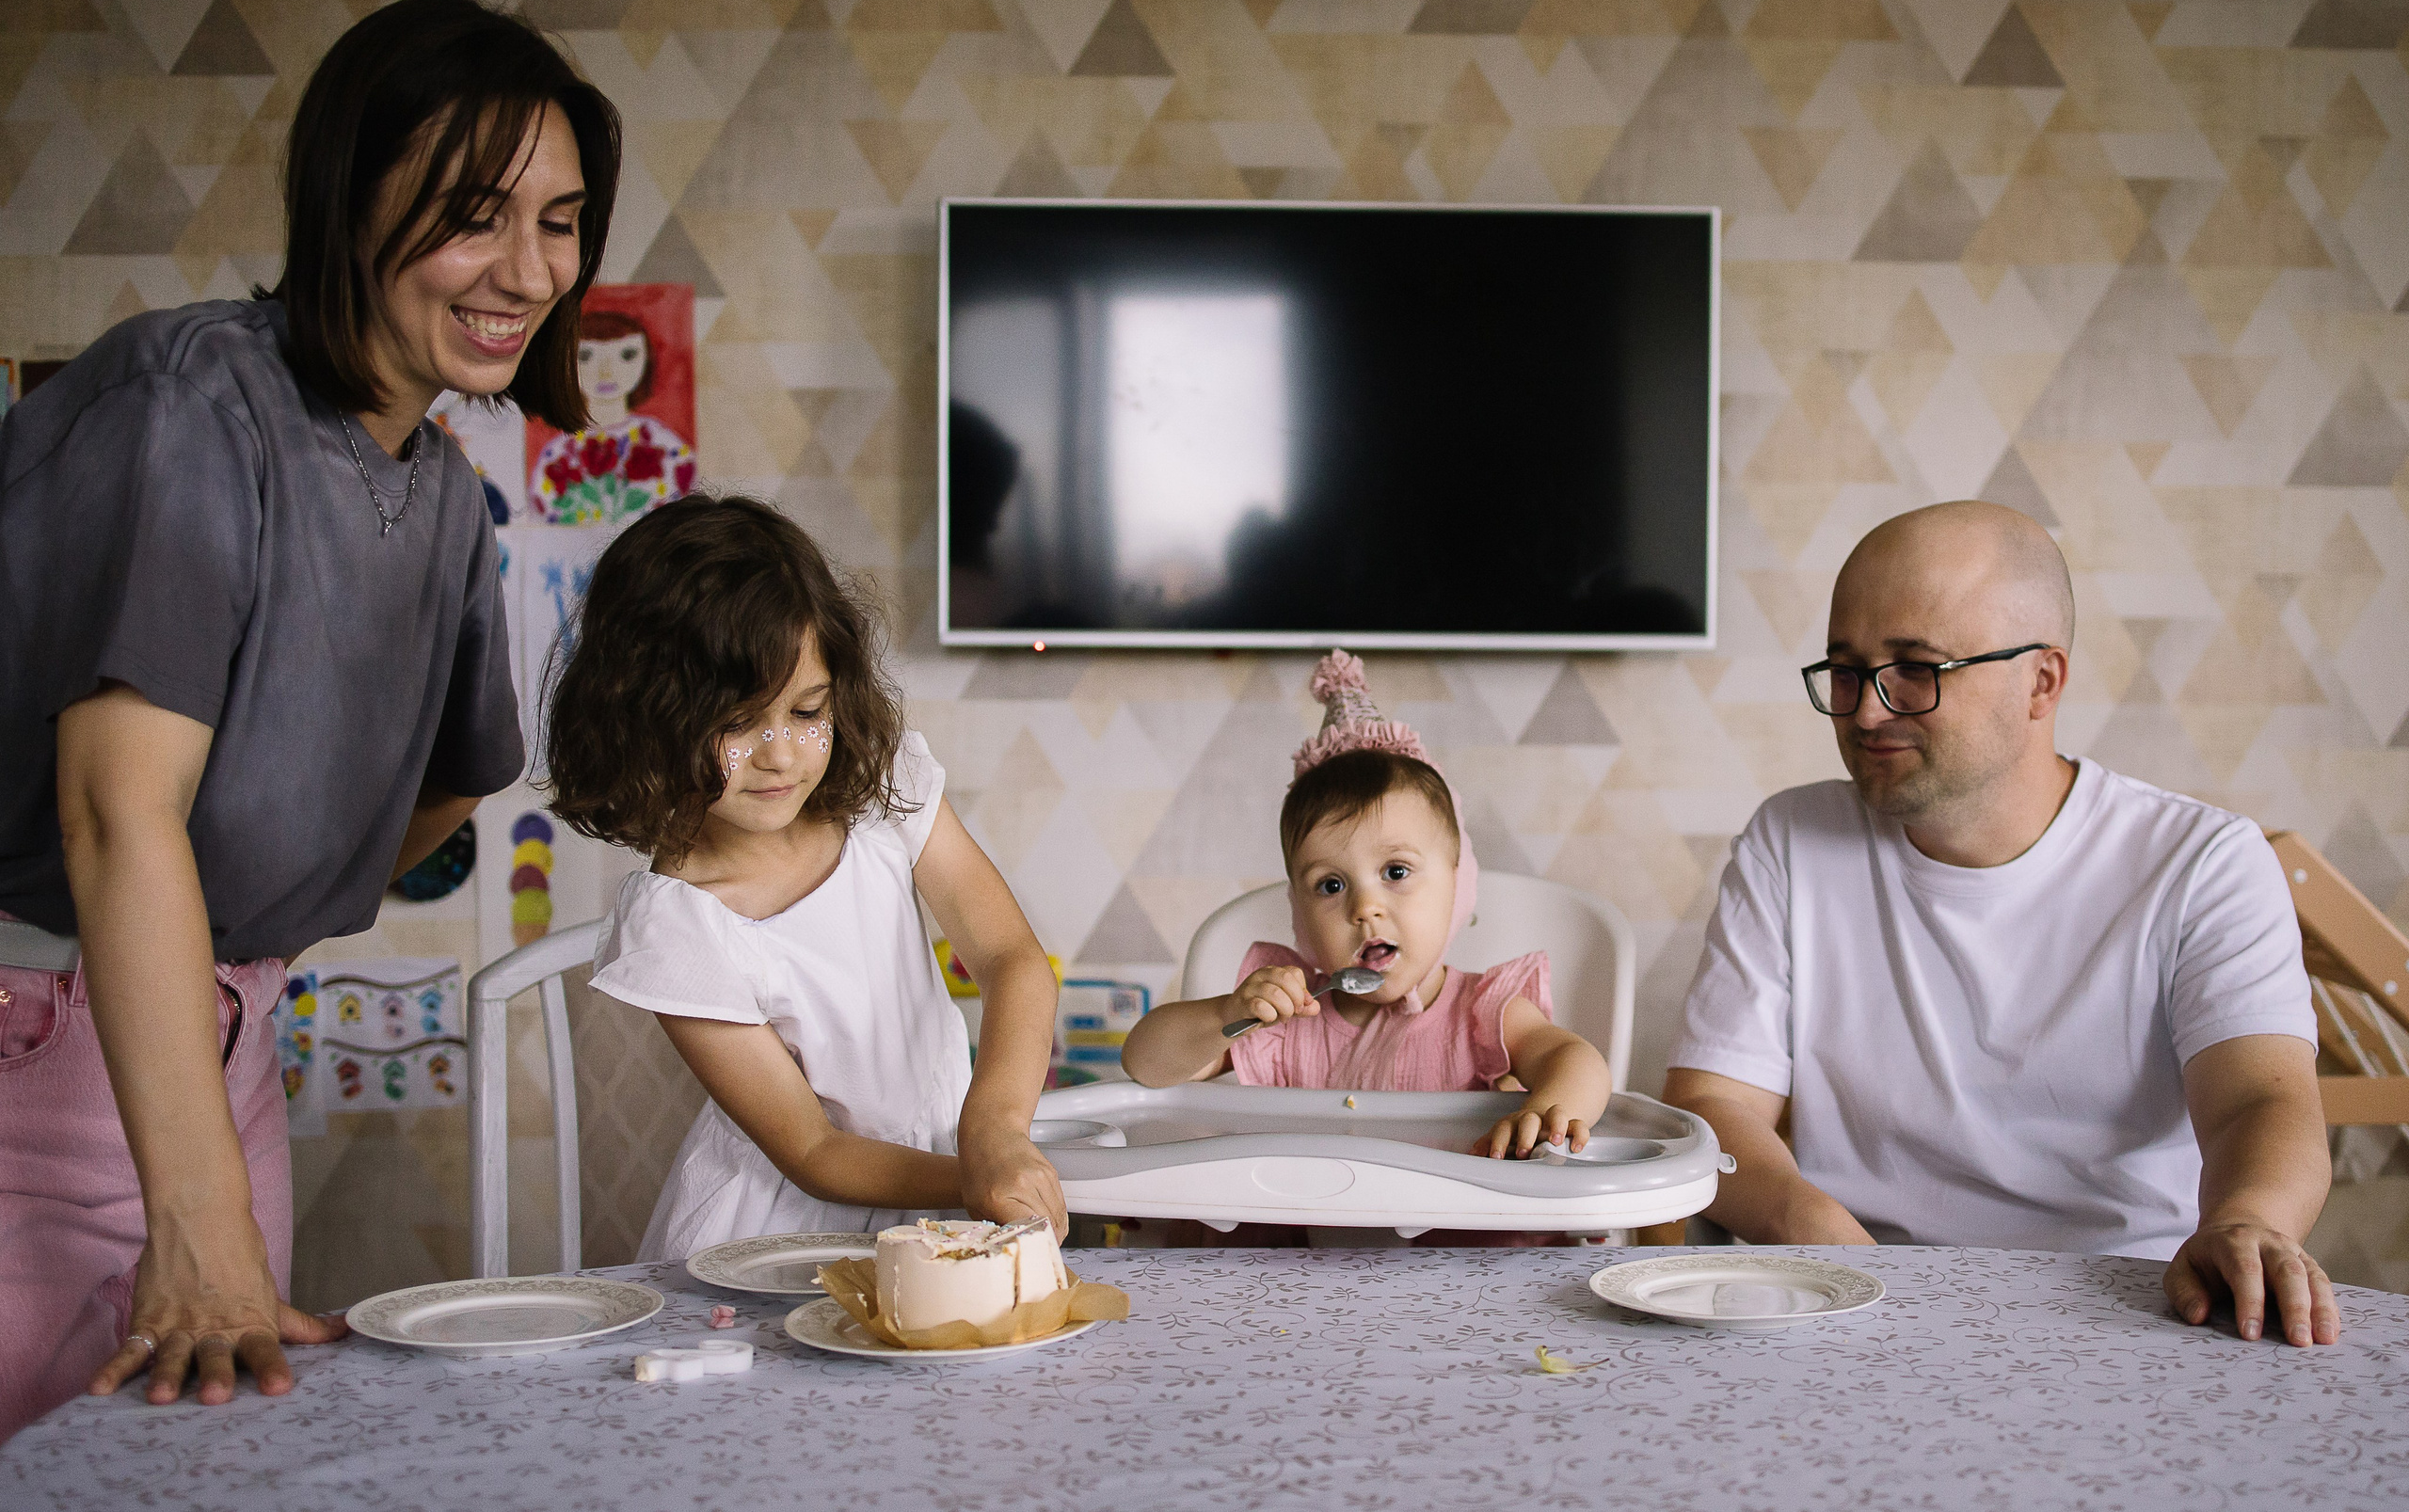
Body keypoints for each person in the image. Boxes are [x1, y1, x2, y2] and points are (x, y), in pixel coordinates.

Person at [0, 0, 620, 1436]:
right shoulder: (190, 408)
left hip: (215, 1047)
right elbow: (114, 811)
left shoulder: (445, 498)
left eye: (560, 222)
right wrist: (198, 1211)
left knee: (197, 1460)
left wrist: (260, 919)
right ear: (353, 199)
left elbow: (457, 780)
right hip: (37, 1047)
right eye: (475, 215)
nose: (528, 269)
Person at [1663, 501, 2337, 1346]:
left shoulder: (2203, 862)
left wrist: (2248, 1220)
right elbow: (1713, 1103)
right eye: (1846, 670)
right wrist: (1824, 1239)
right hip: (1854, 1299)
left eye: (1916, 669)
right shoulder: (1791, 840)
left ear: (2042, 682)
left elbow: (2261, 1100)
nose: (1866, 712)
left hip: (2133, 1310)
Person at [543, 494, 1066, 1258]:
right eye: (737, 723)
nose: (781, 754)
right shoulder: (679, 925)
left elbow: (1011, 958)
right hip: (779, 1240)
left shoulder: (881, 792)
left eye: (807, 711)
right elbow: (815, 1153)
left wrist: (994, 1132)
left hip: (948, 1188)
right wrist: (973, 1176)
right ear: (646, 718)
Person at [1123, 651, 1611, 1161]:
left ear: (1457, 882)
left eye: (1396, 872)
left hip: (1448, 1214)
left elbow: (1575, 1059)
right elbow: (1145, 1064)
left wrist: (1546, 1109)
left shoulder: (1482, 1014)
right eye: (1331, 885)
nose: (1365, 907)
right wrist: (1227, 1012)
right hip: (1306, 1214)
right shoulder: (1288, 1019)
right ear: (1299, 913)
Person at [528, 306, 695, 524]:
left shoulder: (666, 446)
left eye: (626, 355)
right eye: (585, 356)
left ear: (646, 361)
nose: (606, 371)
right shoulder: (557, 456)